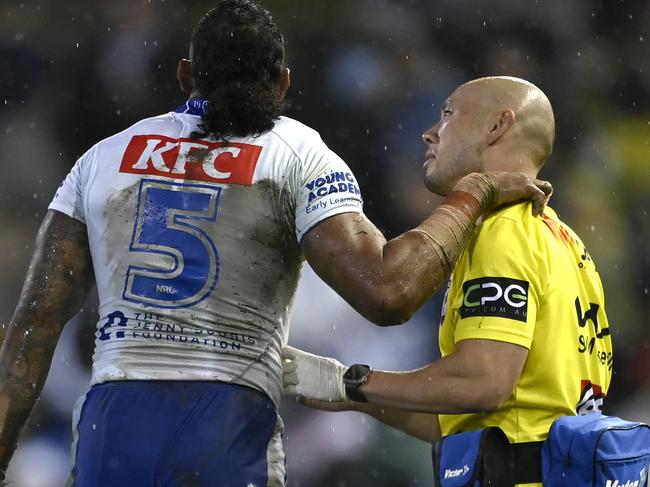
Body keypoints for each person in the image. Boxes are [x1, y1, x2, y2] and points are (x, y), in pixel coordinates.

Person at [0, 1, 551, 484]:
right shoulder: (296, 153)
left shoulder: (104, 158)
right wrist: (472, 193)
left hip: (114, 422)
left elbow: (33, 328)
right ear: (284, 83)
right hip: (225, 418)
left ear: (187, 74)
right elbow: (390, 292)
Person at [283, 76, 613, 486]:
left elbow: (483, 381)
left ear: (497, 127)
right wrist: (352, 393)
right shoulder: (564, 240)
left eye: (448, 114)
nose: (430, 132)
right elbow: (456, 419)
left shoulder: (502, 232)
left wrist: (353, 380)